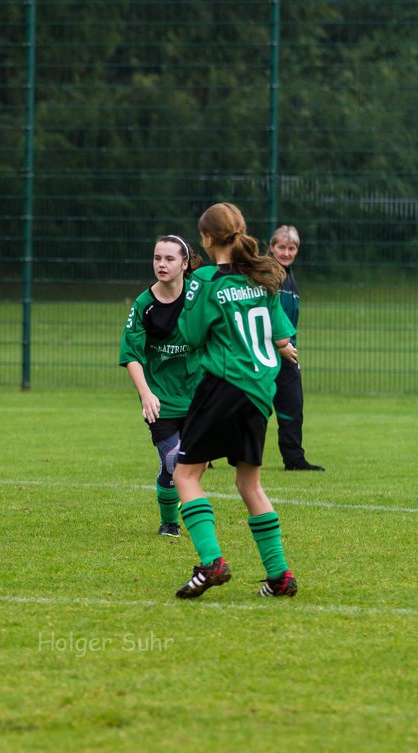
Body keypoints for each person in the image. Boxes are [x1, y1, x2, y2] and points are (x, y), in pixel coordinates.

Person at [173, 202, 299, 599]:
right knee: (249, 482)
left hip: (224, 385)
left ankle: (212, 562)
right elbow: (282, 338)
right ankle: (279, 576)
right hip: (261, 392)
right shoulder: (263, 277)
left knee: (185, 475)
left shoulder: (206, 280)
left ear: (207, 238)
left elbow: (191, 336)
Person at [119, 235, 203, 538]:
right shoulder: (144, 305)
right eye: (157, 258)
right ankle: (170, 523)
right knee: (172, 461)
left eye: (169, 259)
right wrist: (146, 394)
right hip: (161, 398)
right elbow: (131, 354)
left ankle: (182, 503)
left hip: (198, 394)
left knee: (193, 464)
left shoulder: (199, 297)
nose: (162, 264)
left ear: (185, 263)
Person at [268, 225, 323, 471]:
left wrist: (289, 346)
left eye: (292, 248)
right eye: (282, 247)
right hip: (264, 353)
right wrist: (278, 346)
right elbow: (261, 314)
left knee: (292, 406)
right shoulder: (266, 275)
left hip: (288, 354)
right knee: (247, 409)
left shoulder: (290, 278)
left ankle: (294, 459)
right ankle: (228, 454)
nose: (287, 252)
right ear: (271, 247)